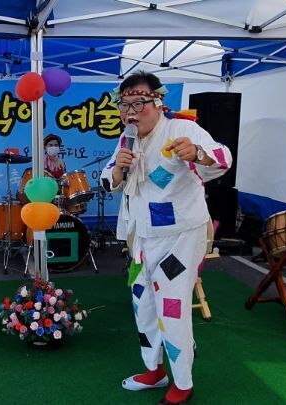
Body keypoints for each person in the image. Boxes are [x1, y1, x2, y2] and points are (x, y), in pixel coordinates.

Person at [100, 71, 232, 405]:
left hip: (180, 235)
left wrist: (197, 153)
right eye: (124, 104)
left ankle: (183, 384)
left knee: (172, 308)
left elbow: (223, 158)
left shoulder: (181, 129)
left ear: (158, 102)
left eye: (139, 103)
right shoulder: (126, 138)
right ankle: (154, 369)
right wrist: (118, 170)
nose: (131, 111)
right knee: (143, 304)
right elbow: (107, 179)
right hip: (141, 238)